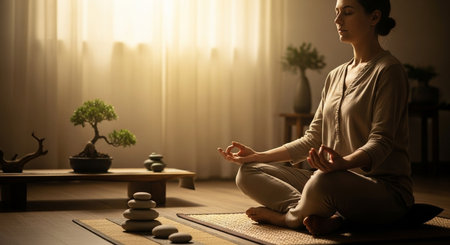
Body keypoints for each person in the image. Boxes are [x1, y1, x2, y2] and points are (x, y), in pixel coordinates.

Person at [218, 0, 413, 236]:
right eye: (337, 12)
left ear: (374, 18)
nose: (338, 20)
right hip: (332, 179)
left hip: (383, 191)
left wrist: (343, 164)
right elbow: (313, 138)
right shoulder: (335, 76)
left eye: (347, 13)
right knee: (248, 172)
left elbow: (381, 142)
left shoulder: (389, 71)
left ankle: (289, 218)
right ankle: (318, 214)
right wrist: (258, 155)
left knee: (321, 181)